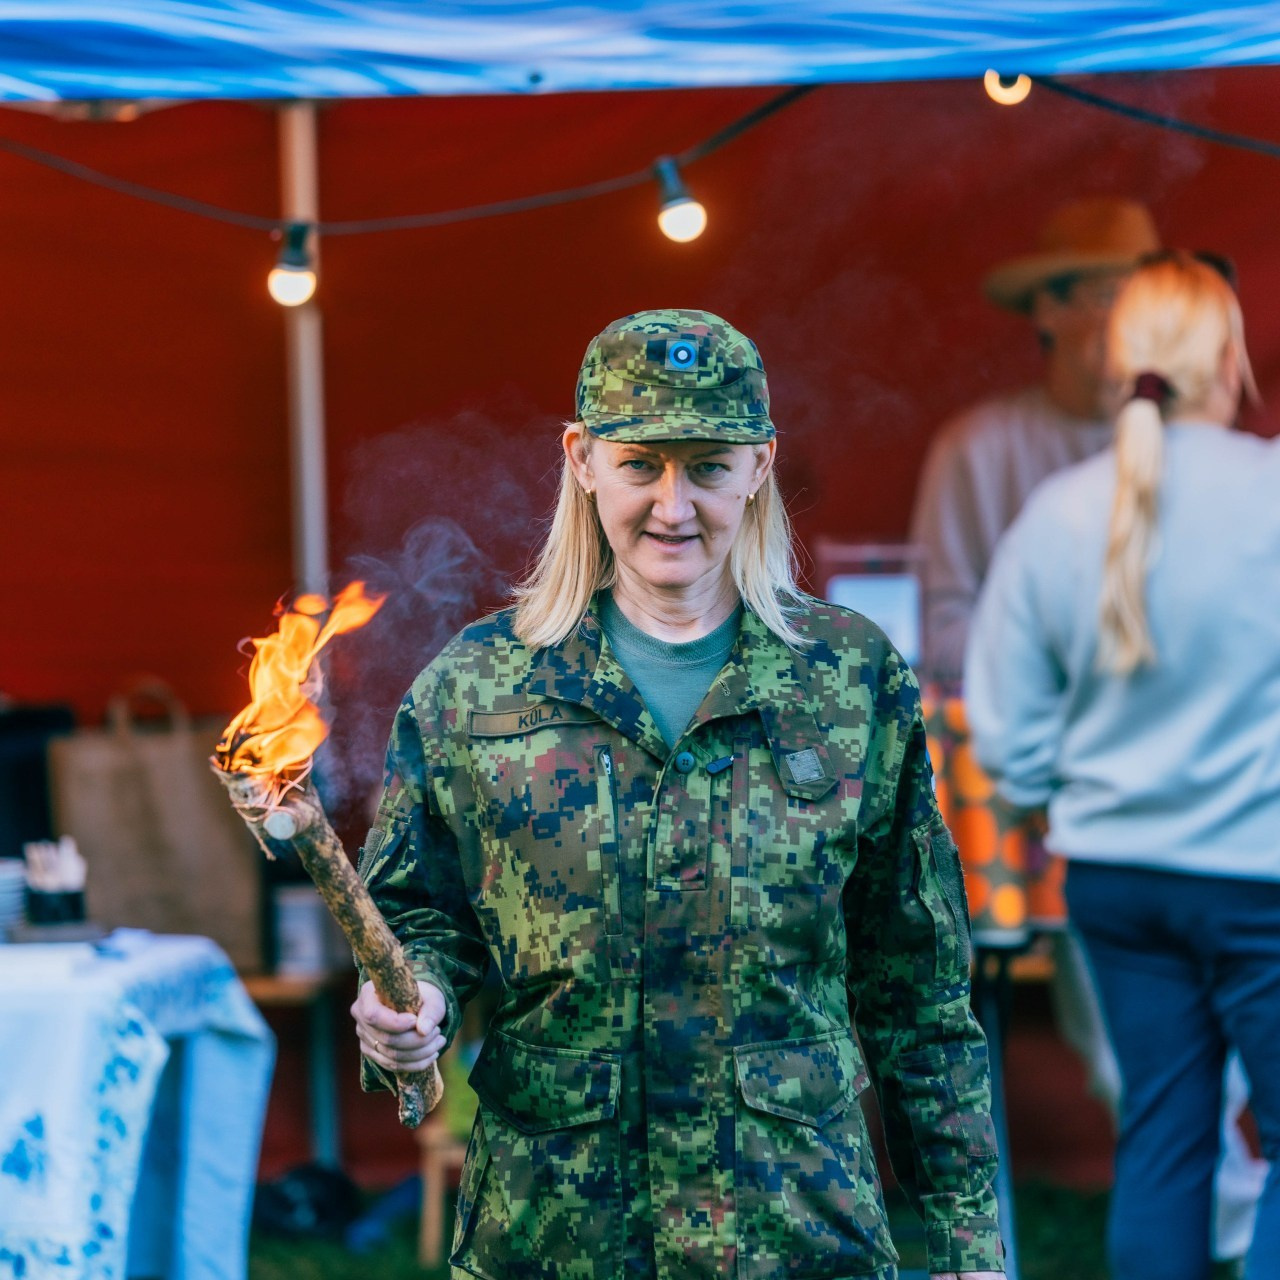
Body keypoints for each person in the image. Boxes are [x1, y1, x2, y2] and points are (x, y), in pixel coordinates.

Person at [349, 309, 1004, 1279]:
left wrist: (964, 1241)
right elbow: (418, 913)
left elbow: (916, 983)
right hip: (557, 1230)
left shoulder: (846, 677)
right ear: (581, 459)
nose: (672, 502)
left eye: (706, 464)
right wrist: (409, 1003)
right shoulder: (477, 684)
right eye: (640, 463)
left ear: (758, 465)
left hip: (792, 1226)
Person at [966, 254, 1280, 1280]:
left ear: (1116, 364)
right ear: (1229, 356)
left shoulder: (1056, 511)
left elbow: (1002, 733)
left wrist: (1062, 804)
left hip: (1114, 881)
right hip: (1261, 873)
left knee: (1161, 1136)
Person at [910, 196, 1160, 686]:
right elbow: (933, 633)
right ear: (1048, 310)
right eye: (1110, 297)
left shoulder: (1189, 450)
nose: (1133, 322)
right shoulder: (976, 447)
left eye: (1149, 302)